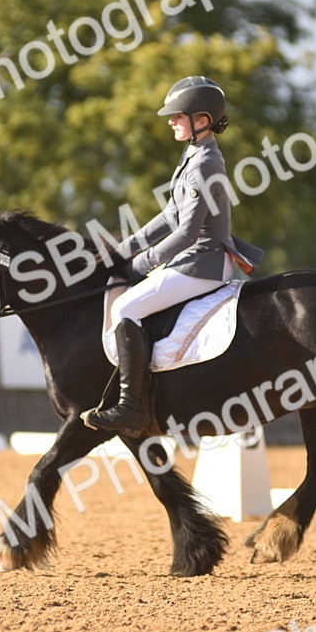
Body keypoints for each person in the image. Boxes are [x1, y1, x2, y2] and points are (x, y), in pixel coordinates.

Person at [83, 76, 264, 437]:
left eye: (177, 116)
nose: (170, 121)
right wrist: (123, 250)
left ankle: (131, 408)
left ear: (201, 119)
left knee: (125, 309)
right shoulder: (193, 154)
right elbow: (169, 215)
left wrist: (141, 263)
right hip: (193, 257)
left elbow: (188, 232)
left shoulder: (205, 163)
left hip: (203, 261)